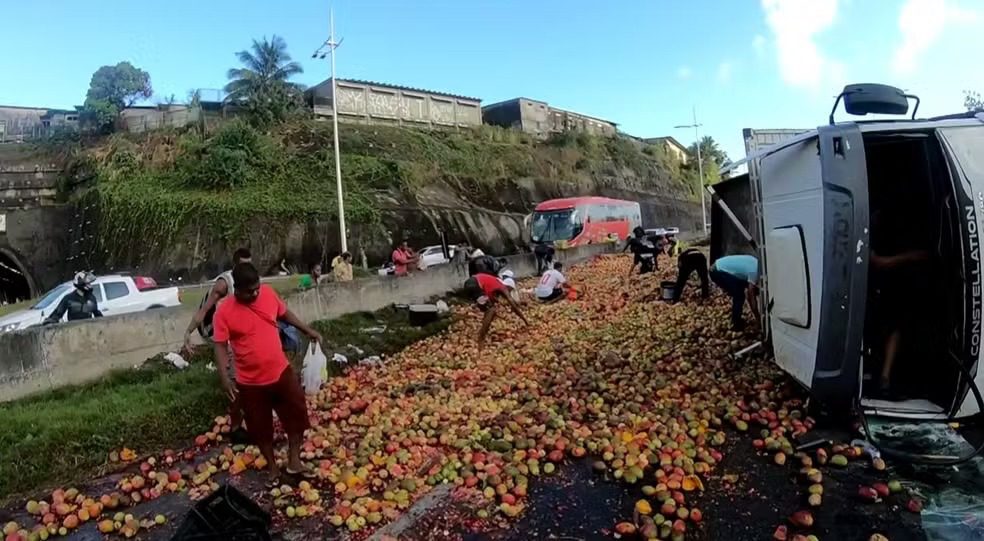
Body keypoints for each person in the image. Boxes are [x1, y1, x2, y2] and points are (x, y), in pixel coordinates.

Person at [212, 263, 322, 484]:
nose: (255, 293)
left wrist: (308, 330)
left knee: (297, 414)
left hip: (281, 371)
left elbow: (285, 313)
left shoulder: (268, 294)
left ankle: (293, 462)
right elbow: (220, 345)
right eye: (249, 291)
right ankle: (272, 468)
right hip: (250, 382)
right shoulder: (224, 311)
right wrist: (224, 377)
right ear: (237, 289)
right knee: (260, 428)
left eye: (257, 289)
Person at [184, 247, 252, 442]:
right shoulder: (225, 283)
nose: (247, 269)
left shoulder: (250, 281)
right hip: (226, 336)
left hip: (244, 335)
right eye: (244, 265)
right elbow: (205, 309)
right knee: (235, 382)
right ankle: (237, 426)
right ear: (236, 264)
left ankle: (248, 420)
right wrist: (188, 332)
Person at [463, 272, 530, 348]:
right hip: (475, 284)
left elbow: (513, 303)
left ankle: (484, 331)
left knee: (488, 309)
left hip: (469, 284)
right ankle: (481, 338)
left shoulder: (495, 286)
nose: (509, 292)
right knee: (491, 310)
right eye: (510, 289)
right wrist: (525, 320)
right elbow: (512, 304)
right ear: (508, 286)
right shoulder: (502, 287)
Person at [709, 254, 761, 331]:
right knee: (739, 295)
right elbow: (750, 294)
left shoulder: (756, 262)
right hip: (717, 271)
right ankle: (736, 324)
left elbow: (749, 293)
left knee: (743, 290)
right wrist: (758, 317)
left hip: (718, 266)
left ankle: (737, 318)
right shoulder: (754, 272)